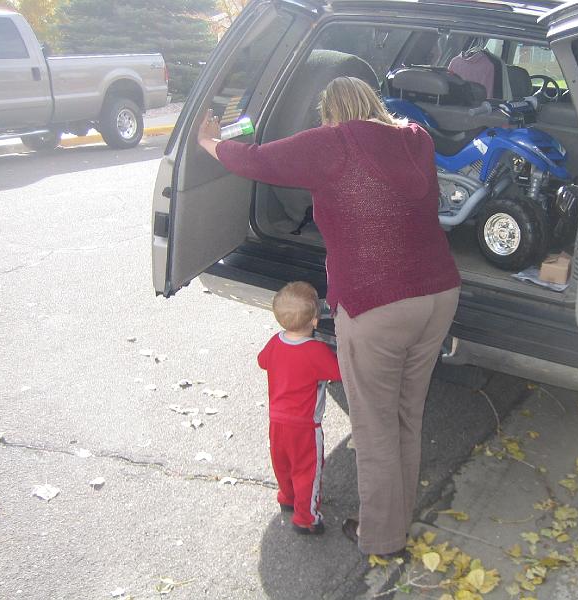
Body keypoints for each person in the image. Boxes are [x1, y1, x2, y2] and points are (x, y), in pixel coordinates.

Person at [198, 76, 461, 558]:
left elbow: (257, 161)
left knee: (375, 427)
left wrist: (210, 141)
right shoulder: (415, 138)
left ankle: (381, 537)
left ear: (332, 112)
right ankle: (396, 520)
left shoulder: (333, 142)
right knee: (406, 415)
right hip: (439, 294)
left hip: (377, 305)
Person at [257, 281, 341, 535]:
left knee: (282, 463)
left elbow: (262, 361)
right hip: (305, 426)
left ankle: (288, 497)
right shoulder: (316, 351)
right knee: (308, 471)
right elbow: (339, 373)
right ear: (315, 320)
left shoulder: (275, 342)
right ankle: (307, 518)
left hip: (277, 421)